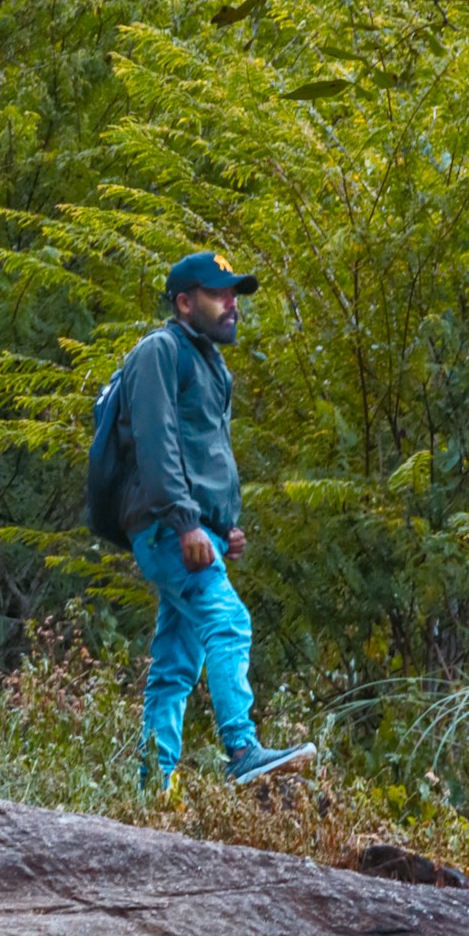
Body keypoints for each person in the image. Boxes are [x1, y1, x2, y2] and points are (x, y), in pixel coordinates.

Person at [113, 249, 315, 794]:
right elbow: (157, 446)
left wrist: (223, 528)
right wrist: (186, 524)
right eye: (219, 294)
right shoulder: (160, 352)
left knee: (175, 664)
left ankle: (152, 789)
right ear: (184, 302)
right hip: (168, 530)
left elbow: (203, 455)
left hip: (196, 534)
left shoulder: (208, 362)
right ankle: (243, 749)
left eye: (234, 294)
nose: (233, 304)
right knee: (230, 622)